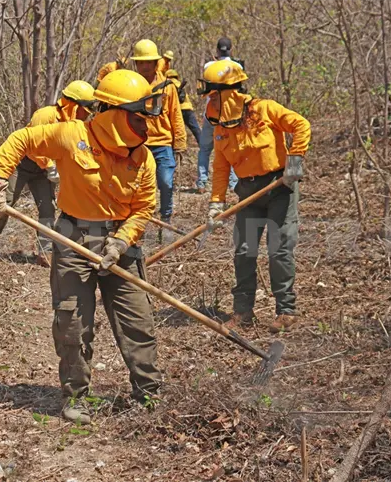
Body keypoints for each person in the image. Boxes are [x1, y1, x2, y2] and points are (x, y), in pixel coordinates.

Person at [0, 69, 163, 423]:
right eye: (136, 118)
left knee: (137, 320)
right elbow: (20, 140)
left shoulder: (144, 158)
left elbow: (143, 210)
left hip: (121, 244)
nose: (144, 127)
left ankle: (148, 395)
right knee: (72, 324)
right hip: (73, 240)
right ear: (111, 114)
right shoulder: (70, 135)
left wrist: (121, 242)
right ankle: (76, 398)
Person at [200, 60, 311, 333]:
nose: (211, 101)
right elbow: (221, 168)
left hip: (278, 189)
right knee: (244, 251)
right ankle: (243, 312)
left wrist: (294, 163)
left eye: (215, 95)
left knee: (279, 250)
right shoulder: (221, 128)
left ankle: (286, 311)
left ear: (230, 92)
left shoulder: (264, 109)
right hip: (248, 194)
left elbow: (301, 125)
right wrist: (216, 203)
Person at [0, 80, 97, 267]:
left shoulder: (75, 125)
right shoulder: (45, 115)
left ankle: (45, 252)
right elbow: (30, 145)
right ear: (74, 105)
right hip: (23, 165)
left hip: (43, 173)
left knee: (47, 209)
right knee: (5, 204)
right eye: (85, 110)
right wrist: (50, 165)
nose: (87, 115)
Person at [131, 39, 186, 241]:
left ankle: (166, 220)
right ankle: (138, 224)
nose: (144, 67)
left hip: (162, 143)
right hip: (138, 143)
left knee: (165, 182)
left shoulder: (168, 87)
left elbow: (176, 114)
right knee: (137, 187)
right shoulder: (131, 85)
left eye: (148, 63)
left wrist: (179, 143)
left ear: (156, 63)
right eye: (141, 63)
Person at [195, 37, 241, 194]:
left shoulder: (209, 66)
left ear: (216, 50)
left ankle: (202, 182)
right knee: (233, 147)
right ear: (231, 49)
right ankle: (233, 183)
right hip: (231, 115)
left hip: (211, 114)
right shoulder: (237, 66)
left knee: (205, 148)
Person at [165, 69, 201, 146]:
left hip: (178, 110)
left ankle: (178, 146)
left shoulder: (167, 85)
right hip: (188, 109)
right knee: (195, 128)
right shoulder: (179, 83)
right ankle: (203, 144)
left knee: (177, 130)